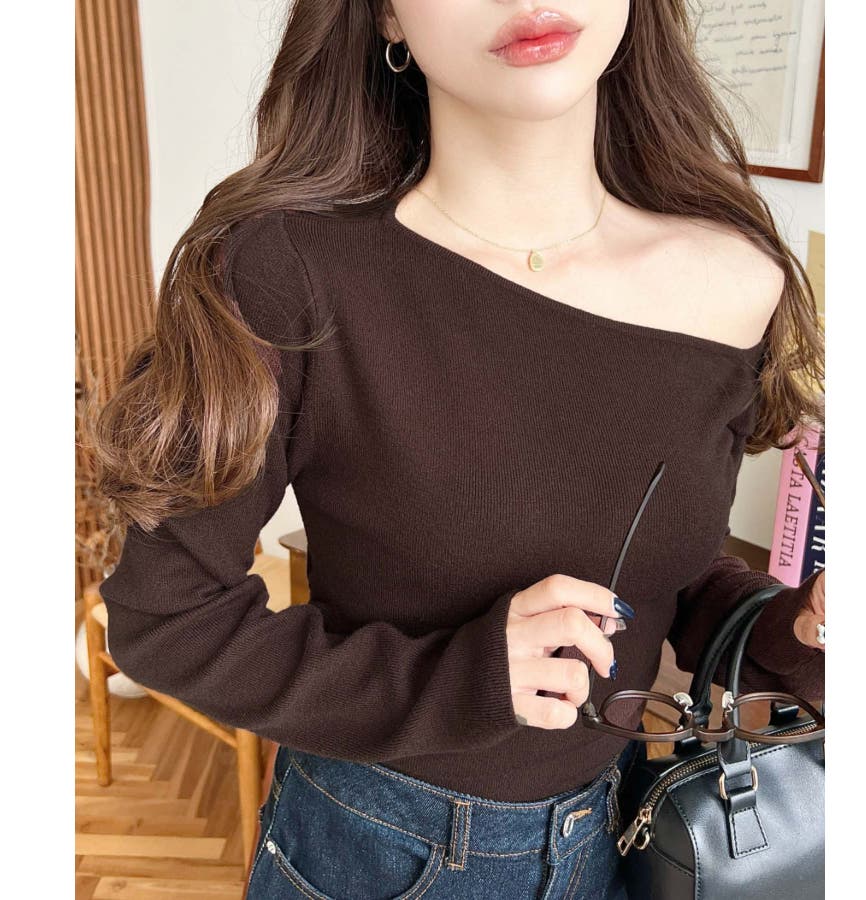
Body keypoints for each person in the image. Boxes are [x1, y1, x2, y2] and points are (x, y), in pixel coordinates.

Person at [88, 1, 826, 897]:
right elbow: (166, 620)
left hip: (623, 839)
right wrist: (458, 682)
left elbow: (658, 569)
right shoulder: (287, 270)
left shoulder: (736, 282)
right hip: (374, 851)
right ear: (386, 17)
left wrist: (797, 630)